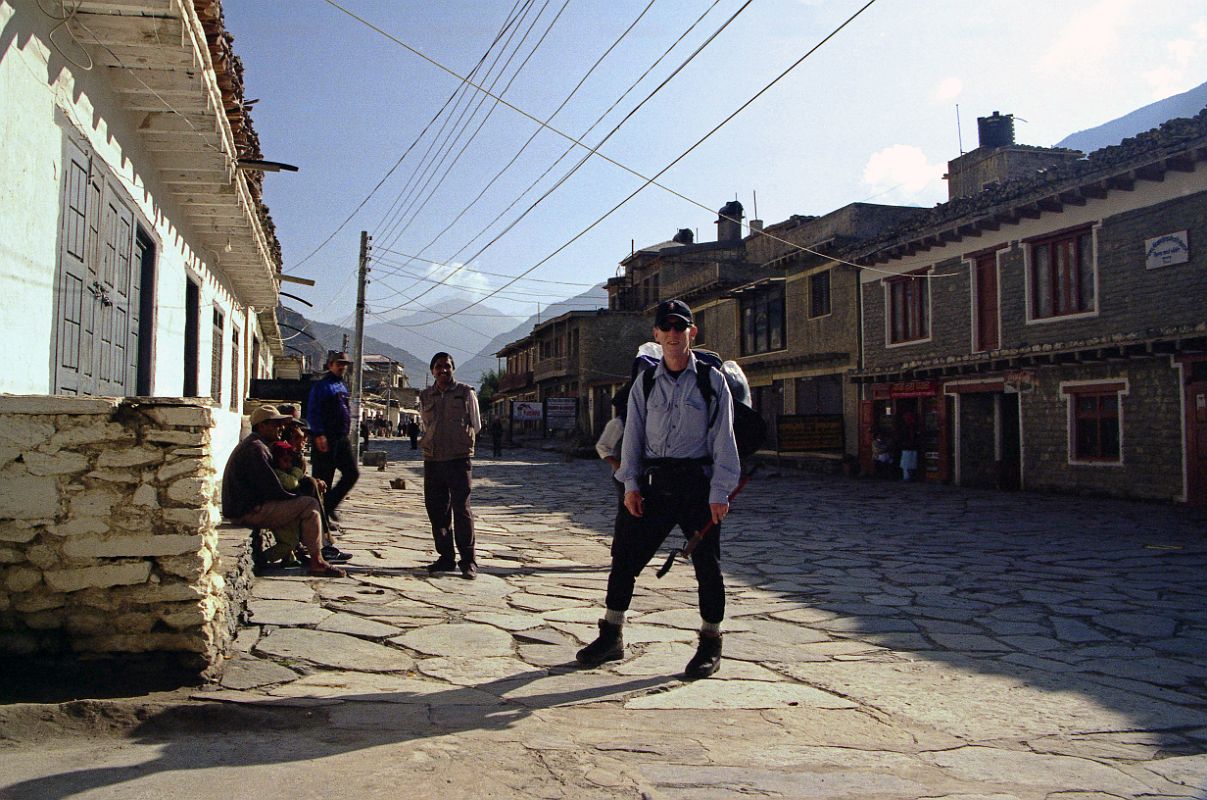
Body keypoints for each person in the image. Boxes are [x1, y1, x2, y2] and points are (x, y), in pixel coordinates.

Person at [576, 299, 740, 680]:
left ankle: (710, 644)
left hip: (697, 486)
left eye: (679, 327)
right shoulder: (645, 382)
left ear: (692, 333)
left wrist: (721, 492)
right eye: (665, 327)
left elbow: (723, 438)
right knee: (624, 561)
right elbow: (632, 435)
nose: (672, 334)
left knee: (708, 567)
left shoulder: (711, 381)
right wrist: (630, 483)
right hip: (654, 486)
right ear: (655, 334)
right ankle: (611, 636)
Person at [221, 405, 346, 577]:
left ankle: (306, 551)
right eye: (275, 424)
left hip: (248, 506)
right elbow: (271, 487)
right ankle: (317, 560)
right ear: (262, 426)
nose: (281, 428)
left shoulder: (260, 445)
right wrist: (296, 498)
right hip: (246, 510)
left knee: (307, 496)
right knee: (309, 505)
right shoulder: (256, 448)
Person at [418, 352, 482, 579]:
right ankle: (446, 557)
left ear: (453, 368)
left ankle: (468, 561)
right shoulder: (425, 396)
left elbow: (477, 424)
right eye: (438, 367)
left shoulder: (465, 393)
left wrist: (459, 441)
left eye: (447, 366)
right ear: (432, 370)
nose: (443, 370)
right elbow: (424, 426)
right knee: (437, 511)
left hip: (458, 459)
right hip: (433, 460)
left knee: (461, 510)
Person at [281, 415, 352, 563]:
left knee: (315, 488)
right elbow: (289, 481)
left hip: (289, 493)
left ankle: (323, 543)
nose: (305, 441)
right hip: (282, 497)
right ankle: (322, 545)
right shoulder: (283, 454)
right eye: (301, 438)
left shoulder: (296, 455)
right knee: (312, 492)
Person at [307, 351, 360, 523]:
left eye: (344, 364)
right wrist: (319, 433)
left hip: (341, 438)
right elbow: (313, 411)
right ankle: (318, 518)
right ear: (330, 365)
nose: (342, 367)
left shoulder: (342, 386)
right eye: (339, 364)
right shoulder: (321, 386)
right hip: (325, 438)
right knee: (324, 479)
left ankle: (328, 505)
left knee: (352, 473)